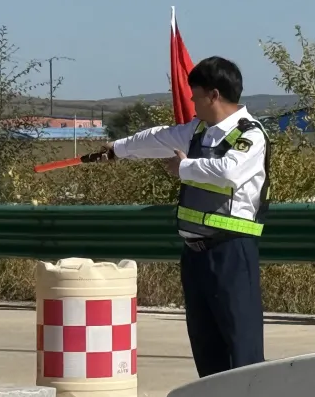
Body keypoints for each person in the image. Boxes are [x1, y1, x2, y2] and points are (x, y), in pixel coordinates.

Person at [97, 56, 270, 378]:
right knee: (206, 346)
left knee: (241, 346)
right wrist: (116, 149)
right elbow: (158, 138)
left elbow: (229, 173)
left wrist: (184, 168)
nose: (192, 103)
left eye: (196, 96)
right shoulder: (198, 132)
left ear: (213, 95)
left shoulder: (250, 134)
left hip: (231, 250)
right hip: (195, 254)